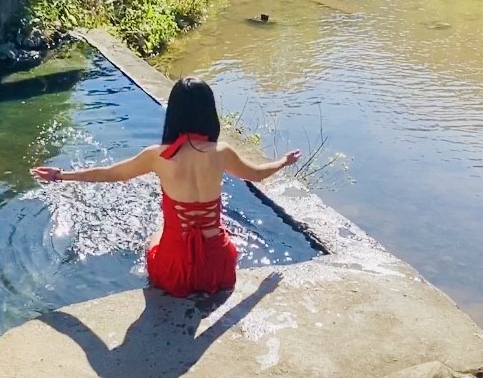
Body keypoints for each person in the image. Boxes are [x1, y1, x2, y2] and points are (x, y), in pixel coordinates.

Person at [31, 77, 300, 297]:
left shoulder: (157, 156)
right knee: (221, 229)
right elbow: (257, 175)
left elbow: (111, 174)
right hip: (219, 266)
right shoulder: (221, 152)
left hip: (173, 269)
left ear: (174, 113)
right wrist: (283, 162)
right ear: (209, 112)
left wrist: (60, 175)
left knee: (157, 231)